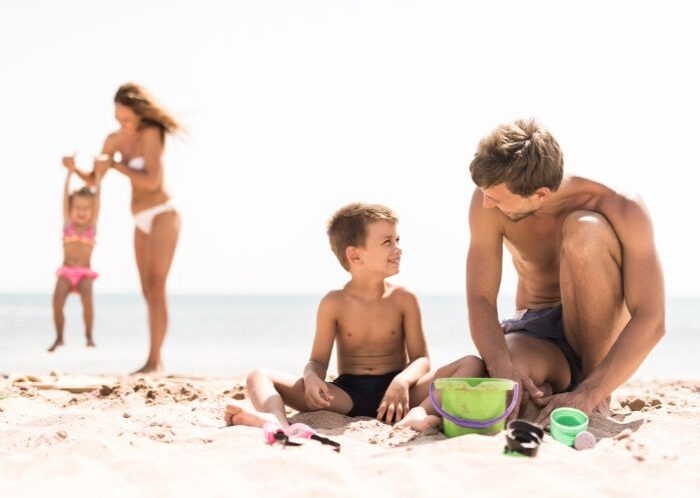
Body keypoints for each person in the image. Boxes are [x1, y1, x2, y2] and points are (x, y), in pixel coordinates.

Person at [465, 118, 665, 424]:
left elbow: (652, 319)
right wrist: (500, 364)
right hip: (537, 327)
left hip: (603, 329)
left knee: (584, 229)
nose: (487, 205)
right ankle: (555, 388)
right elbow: (480, 297)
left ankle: (590, 390)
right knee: (508, 382)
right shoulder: (487, 197)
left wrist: (590, 392)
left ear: (541, 194)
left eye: (497, 199)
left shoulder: (622, 206)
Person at [224, 203, 432, 429]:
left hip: (400, 394)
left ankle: (419, 413)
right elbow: (318, 361)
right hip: (345, 397)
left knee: (469, 364)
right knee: (258, 376)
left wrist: (402, 381)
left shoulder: (404, 298)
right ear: (354, 255)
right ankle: (276, 419)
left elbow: (422, 359)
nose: (398, 248)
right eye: (387, 242)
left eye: (397, 240)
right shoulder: (334, 303)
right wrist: (312, 378)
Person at [72, 83, 182, 374]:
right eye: (119, 119)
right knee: (147, 290)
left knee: (157, 287)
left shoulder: (151, 134)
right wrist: (75, 169)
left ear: (140, 114)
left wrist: (117, 165)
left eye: (128, 120)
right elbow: (94, 180)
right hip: (140, 219)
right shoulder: (113, 140)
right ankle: (152, 359)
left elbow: (151, 182)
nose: (124, 125)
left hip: (162, 214)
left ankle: (155, 361)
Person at [49, 159, 104, 352]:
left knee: (87, 301)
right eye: (77, 208)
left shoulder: (91, 227)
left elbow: (98, 199)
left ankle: (89, 336)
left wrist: (97, 175)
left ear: (91, 212)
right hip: (67, 272)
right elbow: (65, 196)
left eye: (85, 209)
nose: (81, 212)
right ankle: (59, 337)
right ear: (71, 210)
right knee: (56, 301)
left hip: (84, 273)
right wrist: (70, 172)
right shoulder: (68, 224)